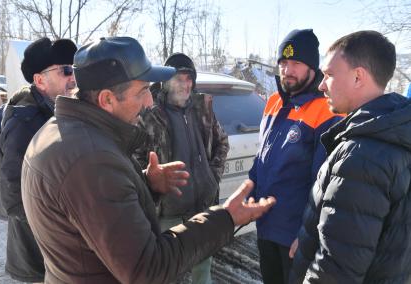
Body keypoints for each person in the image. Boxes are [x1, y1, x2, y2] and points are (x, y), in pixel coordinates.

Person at [21, 36, 276, 284]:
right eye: (143, 90)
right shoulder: (91, 161)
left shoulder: (62, 132)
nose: (149, 101)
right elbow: (147, 268)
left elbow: (94, 209)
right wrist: (226, 218)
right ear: (107, 99)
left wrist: (145, 184)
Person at [289, 30, 411, 283]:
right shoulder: (394, 132)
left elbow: (334, 271)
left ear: (358, 77)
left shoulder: (361, 156)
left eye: (329, 75)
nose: (321, 84)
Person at [247, 29, 343, 284]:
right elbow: (261, 160)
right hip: (265, 225)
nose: (288, 70)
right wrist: (247, 199)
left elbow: (326, 185)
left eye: (296, 64)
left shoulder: (327, 110)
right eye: (283, 63)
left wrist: (309, 233)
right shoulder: (273, 102)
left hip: (294, 235)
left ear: (313, 68)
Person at [135, 52, 229, 284]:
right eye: (179, 78)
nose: (185, 84)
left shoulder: (202, 108)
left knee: (202, 272)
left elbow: (222, 143)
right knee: (166, 273)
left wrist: (212, 176)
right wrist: (150, 181)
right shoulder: (148, 114)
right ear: (165, 82)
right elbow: (132, 157)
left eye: (189, 79)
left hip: (201, 208)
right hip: (167, 213)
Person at [0, 37, 77, 282]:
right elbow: (12, 199)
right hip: (36, 255)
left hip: (59, 252)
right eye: (65, 70)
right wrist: (57, 228)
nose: (72, 76)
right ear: (40, 80)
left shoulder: (64, 111)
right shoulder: (23, 124)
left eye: (74, 69)